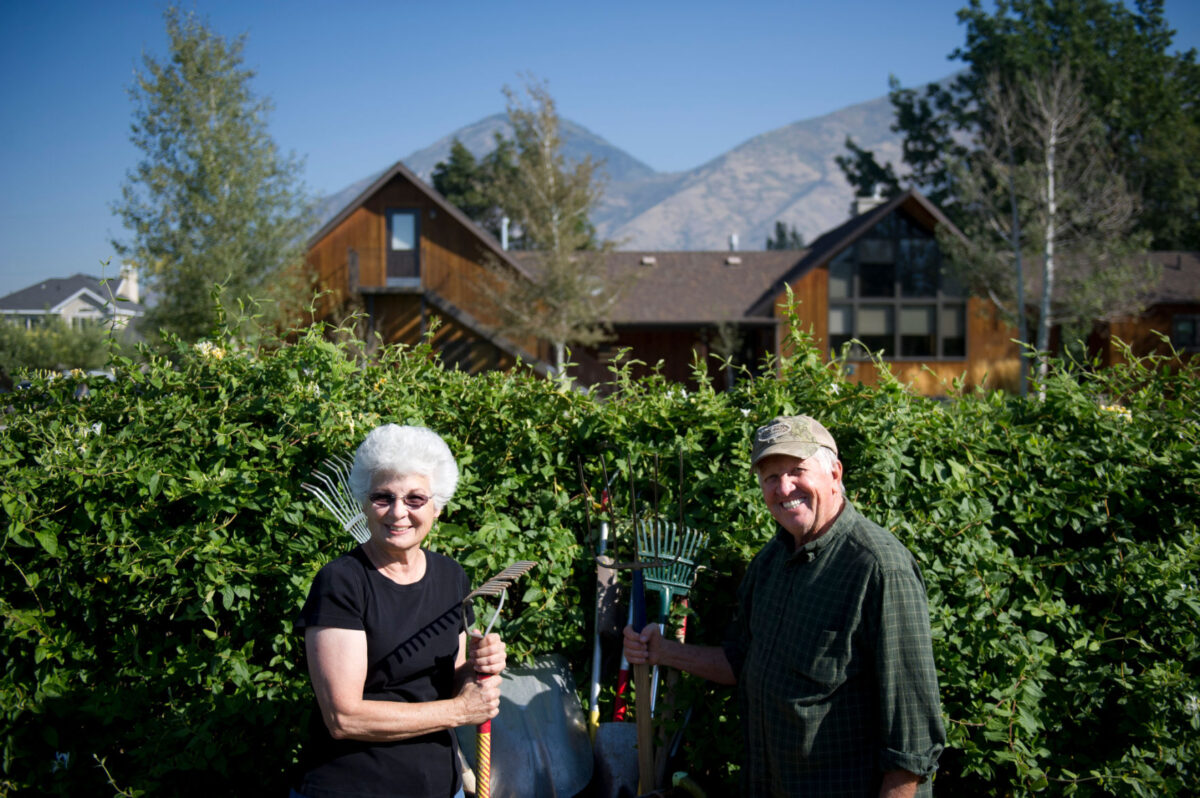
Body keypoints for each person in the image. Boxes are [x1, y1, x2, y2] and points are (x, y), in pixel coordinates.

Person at [624, 415, 945, 797]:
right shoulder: (769, 563)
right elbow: (741, 661)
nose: (784, 487)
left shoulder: (878, 568)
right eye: (771, 477)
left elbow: (911, 745)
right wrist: (664, 652)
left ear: (835, 474)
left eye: (797, 470)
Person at [292, 424, 506, 798]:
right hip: (354, 788)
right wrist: (459, 712)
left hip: (441, 786)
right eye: (383, 497)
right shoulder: (342, 583)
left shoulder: (451, 577)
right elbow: (344, 717)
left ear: (437, 507)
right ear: (363, 503)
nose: (397, 512)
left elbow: (453, 681)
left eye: (415, 499)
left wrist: (479, 670)